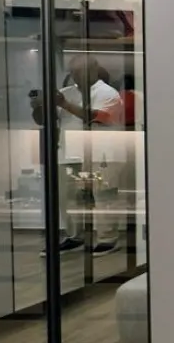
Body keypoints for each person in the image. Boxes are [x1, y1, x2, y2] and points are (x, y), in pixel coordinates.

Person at [31, 57, 124, 254]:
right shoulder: (66, 92)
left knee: (103, 195)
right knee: (68, 197)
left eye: (81, 71)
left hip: (101, 153)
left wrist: (64, 104)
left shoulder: (108, 93)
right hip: (70, 151)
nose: (76, 76)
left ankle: (108, 238)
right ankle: (75, 236)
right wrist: (38, 107)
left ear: (94, 70)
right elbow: (43, 120)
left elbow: (97, 117)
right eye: (73, 71)